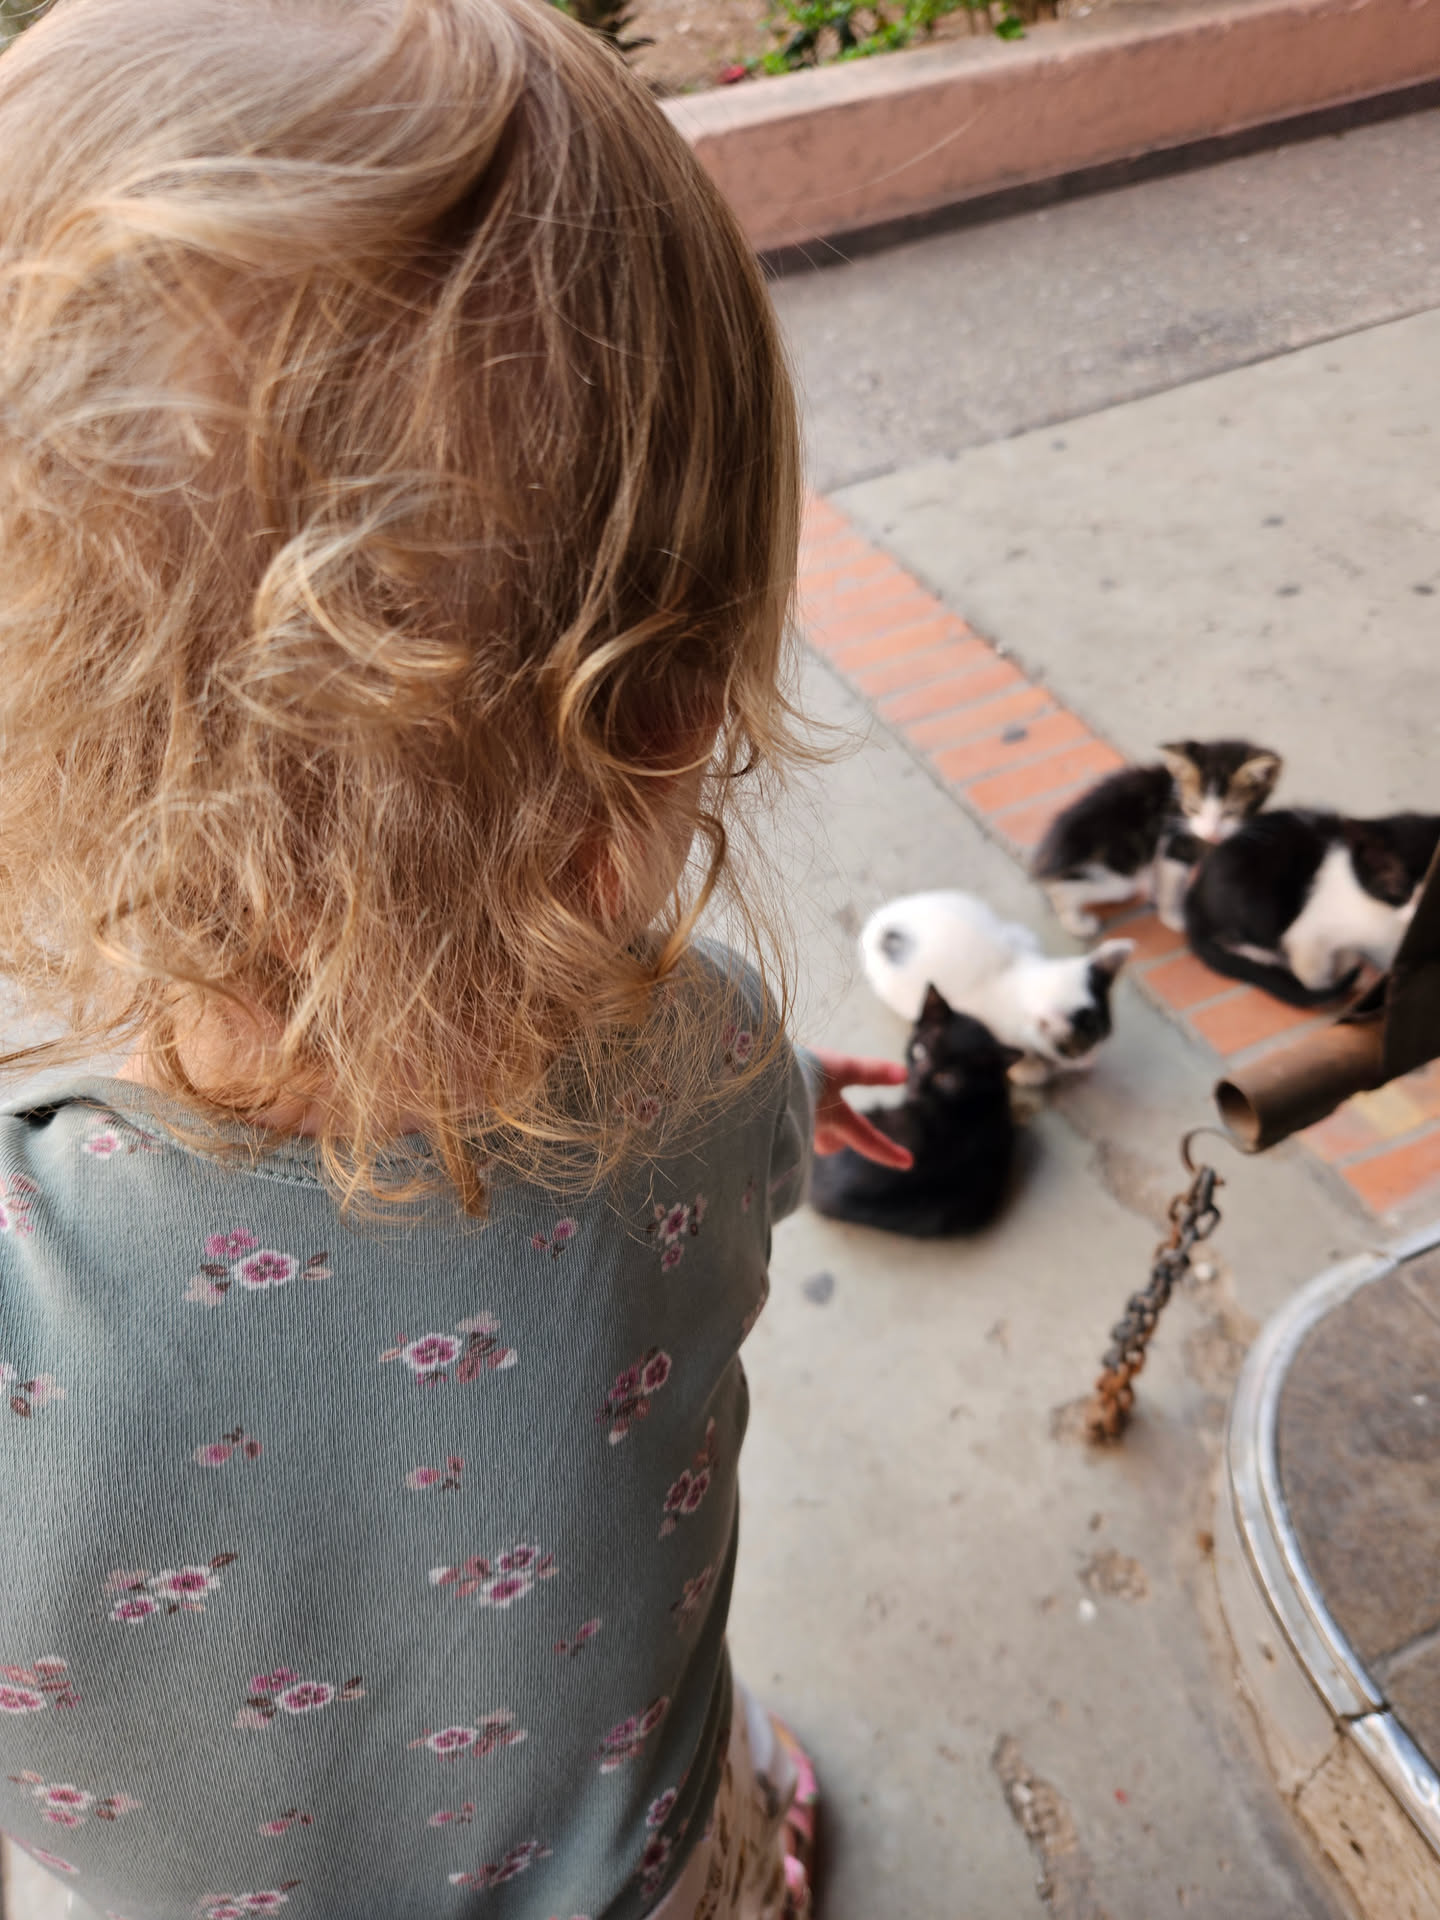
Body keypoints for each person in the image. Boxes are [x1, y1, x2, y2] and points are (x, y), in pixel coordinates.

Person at [0, 3, 912, 1916]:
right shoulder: (706, 1061)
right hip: (644, 1867)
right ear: (670, 717)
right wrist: (792, 1088)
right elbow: (748, 1135)